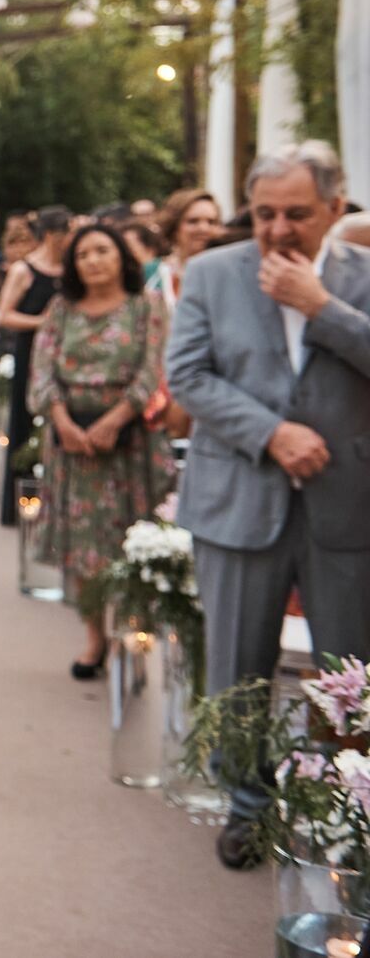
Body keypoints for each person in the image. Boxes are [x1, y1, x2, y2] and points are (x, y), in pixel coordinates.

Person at [166, 140, 370, 871]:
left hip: (348, 510)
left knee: (350, 675)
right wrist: (272, 433)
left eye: (297, 214)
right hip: (238, 503)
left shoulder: (362, 277)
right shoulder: (215, 273)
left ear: (335, 209)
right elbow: (186, 374)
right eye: (265, 214)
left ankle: (340, 808)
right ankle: (247, 808)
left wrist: (326, 311)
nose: (278, 229)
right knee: (237, 671)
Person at [26, 222, 175, 678]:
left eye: (102, 251)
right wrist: (64, 423)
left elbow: (152, 371)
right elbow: (42, 370)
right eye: (84, 254)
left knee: (133, 540)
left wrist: (114, 421)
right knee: (83, 548)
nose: (93, 260)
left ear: (121, 258)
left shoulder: (145, 307)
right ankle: (94, 639)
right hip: (72, 445)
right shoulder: (60, 310)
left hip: (129, 445)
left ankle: (137, 632)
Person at [0, 206, 72, 525]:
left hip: (65, 357)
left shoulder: (70, 269)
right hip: (31, 354)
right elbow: (4, 315)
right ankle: (20, 504)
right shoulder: (23, 270)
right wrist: (42, 322)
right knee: (24, 424)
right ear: (54, 235)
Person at [152, 187, 222, 310]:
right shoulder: (153, 273)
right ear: (174, 226)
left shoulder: (225, 273)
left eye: (211, 222)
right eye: (193, 221)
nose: (203, 229)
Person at [0, 212, 36, 299]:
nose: (18, 248)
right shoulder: (0, 267)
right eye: (12, 243)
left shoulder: (36, 269)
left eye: (23, 242)